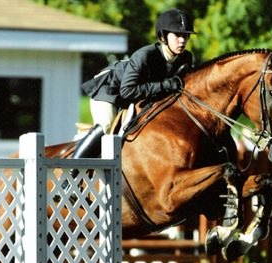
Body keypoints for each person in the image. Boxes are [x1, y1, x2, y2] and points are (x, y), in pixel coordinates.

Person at [73, 8, 196, 159]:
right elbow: (127, 91)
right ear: (163, 36)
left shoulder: (186, 58)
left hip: (136, 96)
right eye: (177, 35)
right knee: (106, 125)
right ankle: (72, 171)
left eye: (186, 36)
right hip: (110, 90)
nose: (183, 40)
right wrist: (165, 85)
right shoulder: (145, 56)